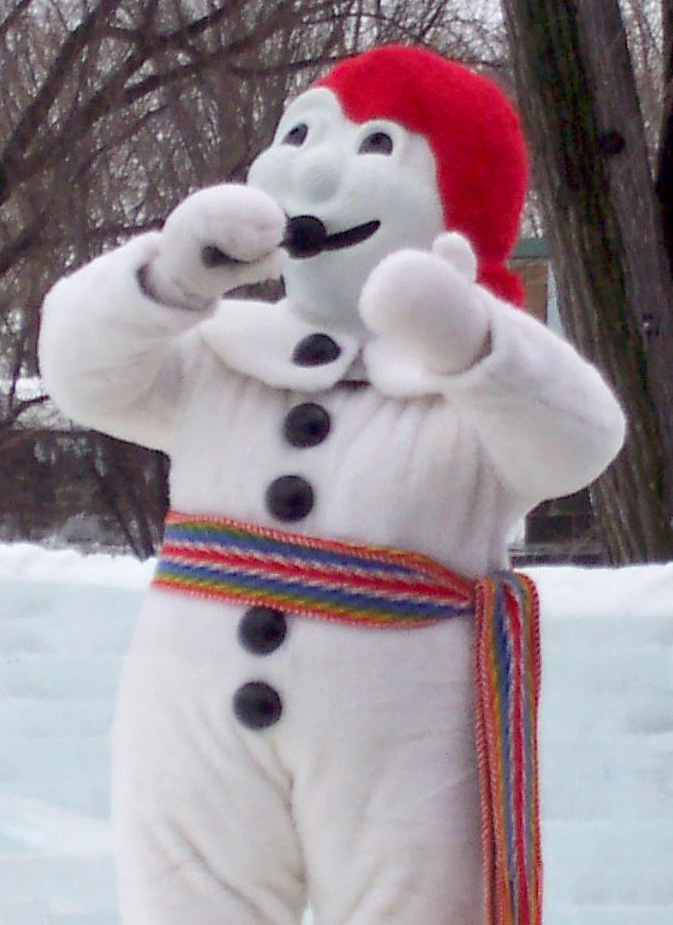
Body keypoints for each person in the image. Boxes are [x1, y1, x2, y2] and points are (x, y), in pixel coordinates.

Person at [39, 45, 625, 925]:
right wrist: (165, 278)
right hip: (193, 724)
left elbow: (581, 440)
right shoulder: (219, 354)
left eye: (378, 147)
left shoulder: (470, 399)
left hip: (405, 741)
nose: (310, 165)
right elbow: (84, 373)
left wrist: (471, 340)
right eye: (302, 131)